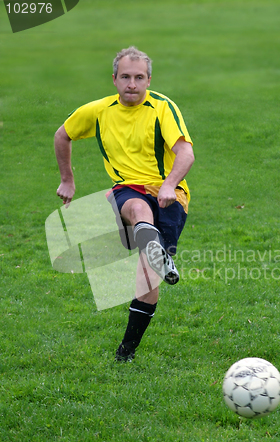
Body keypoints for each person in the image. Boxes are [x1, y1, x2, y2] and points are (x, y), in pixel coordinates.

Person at [54, 46, 194, 362]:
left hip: (170, 196)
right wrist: (67, 179)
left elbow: (185, 153)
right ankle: (151, 242)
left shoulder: (162, 108)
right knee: (136, 207)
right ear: (115, 79)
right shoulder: (98, 111)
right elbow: (63, 135)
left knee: (147, 276)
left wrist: (170, 185)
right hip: (127, 190)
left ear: (148, 80)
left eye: (139, 77)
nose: (132, 84)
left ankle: (126, 351)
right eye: (126, 77)